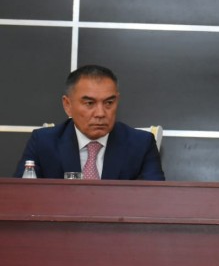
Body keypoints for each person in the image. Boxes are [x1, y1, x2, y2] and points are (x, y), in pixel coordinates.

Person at [13, 64, 165, 180]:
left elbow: (155, 200)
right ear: (67, 105)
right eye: (89, 103)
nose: (100, 113)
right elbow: (21, 196)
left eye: (109, 103)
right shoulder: (43, 142)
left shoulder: (141, 144)